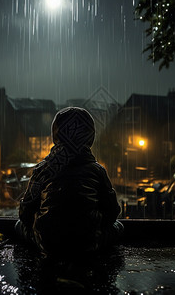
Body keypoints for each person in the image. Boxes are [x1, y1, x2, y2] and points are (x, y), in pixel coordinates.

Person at [15, 106, 124, 256]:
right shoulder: (97, 170)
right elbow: (112, 212)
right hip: (87, 245)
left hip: (49, 245)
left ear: (55, 136)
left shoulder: (42, 169)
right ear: (90, 137)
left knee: (18, 226)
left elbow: (25, 213)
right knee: (119, 227)